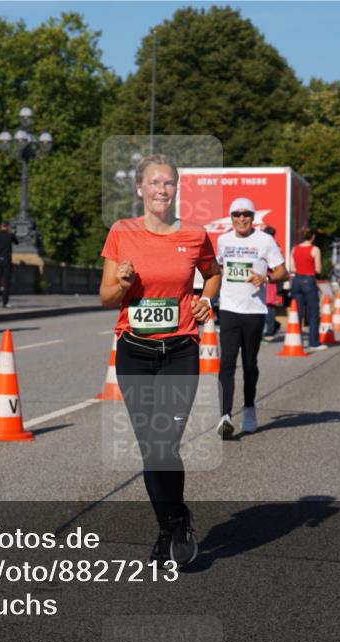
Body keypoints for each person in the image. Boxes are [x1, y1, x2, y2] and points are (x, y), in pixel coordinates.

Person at [99, 154, 221, 569]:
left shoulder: (194, 234)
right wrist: (124, 283)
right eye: (153, 183)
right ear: (139, 189)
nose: (161, 190)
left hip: (181, 352)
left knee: (165, 443)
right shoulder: (122, 232)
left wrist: (206, 299)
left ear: (176, 189)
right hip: (134, 351)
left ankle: (174, 525)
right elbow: (106, 298)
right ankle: (174, 522)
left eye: (168, 183)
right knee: (151, 447)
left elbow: (213, 273)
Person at [214, 197, 287, 440]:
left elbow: (282, 272)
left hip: (254, 311)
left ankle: (248, 408)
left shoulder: (265, 241)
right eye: (237, 214)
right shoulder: (223, 240)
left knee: (249, 364)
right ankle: (224, 415)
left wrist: (265, 279)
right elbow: (218, 268)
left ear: (253, 217)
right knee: (226, 363)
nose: (241, 218)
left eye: (246, 214)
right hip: (229, 309)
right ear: (231, 217)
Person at [291, 228, 325, 351]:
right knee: (313, 312)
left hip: (296, 280)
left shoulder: (294, 249)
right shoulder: (315, 249)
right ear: (313, 237)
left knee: (297, 312)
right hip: (309, 280)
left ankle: (296, 338)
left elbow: (292, 267)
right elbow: (318, 269)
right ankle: (313, 342)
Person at [0, 221, 19, 308]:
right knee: (6, 282)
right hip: (6, 260)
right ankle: (5, 302)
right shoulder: (10, 235)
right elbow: (16, 242)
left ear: (1, 226)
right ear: (7, 227)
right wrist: (14, 234)